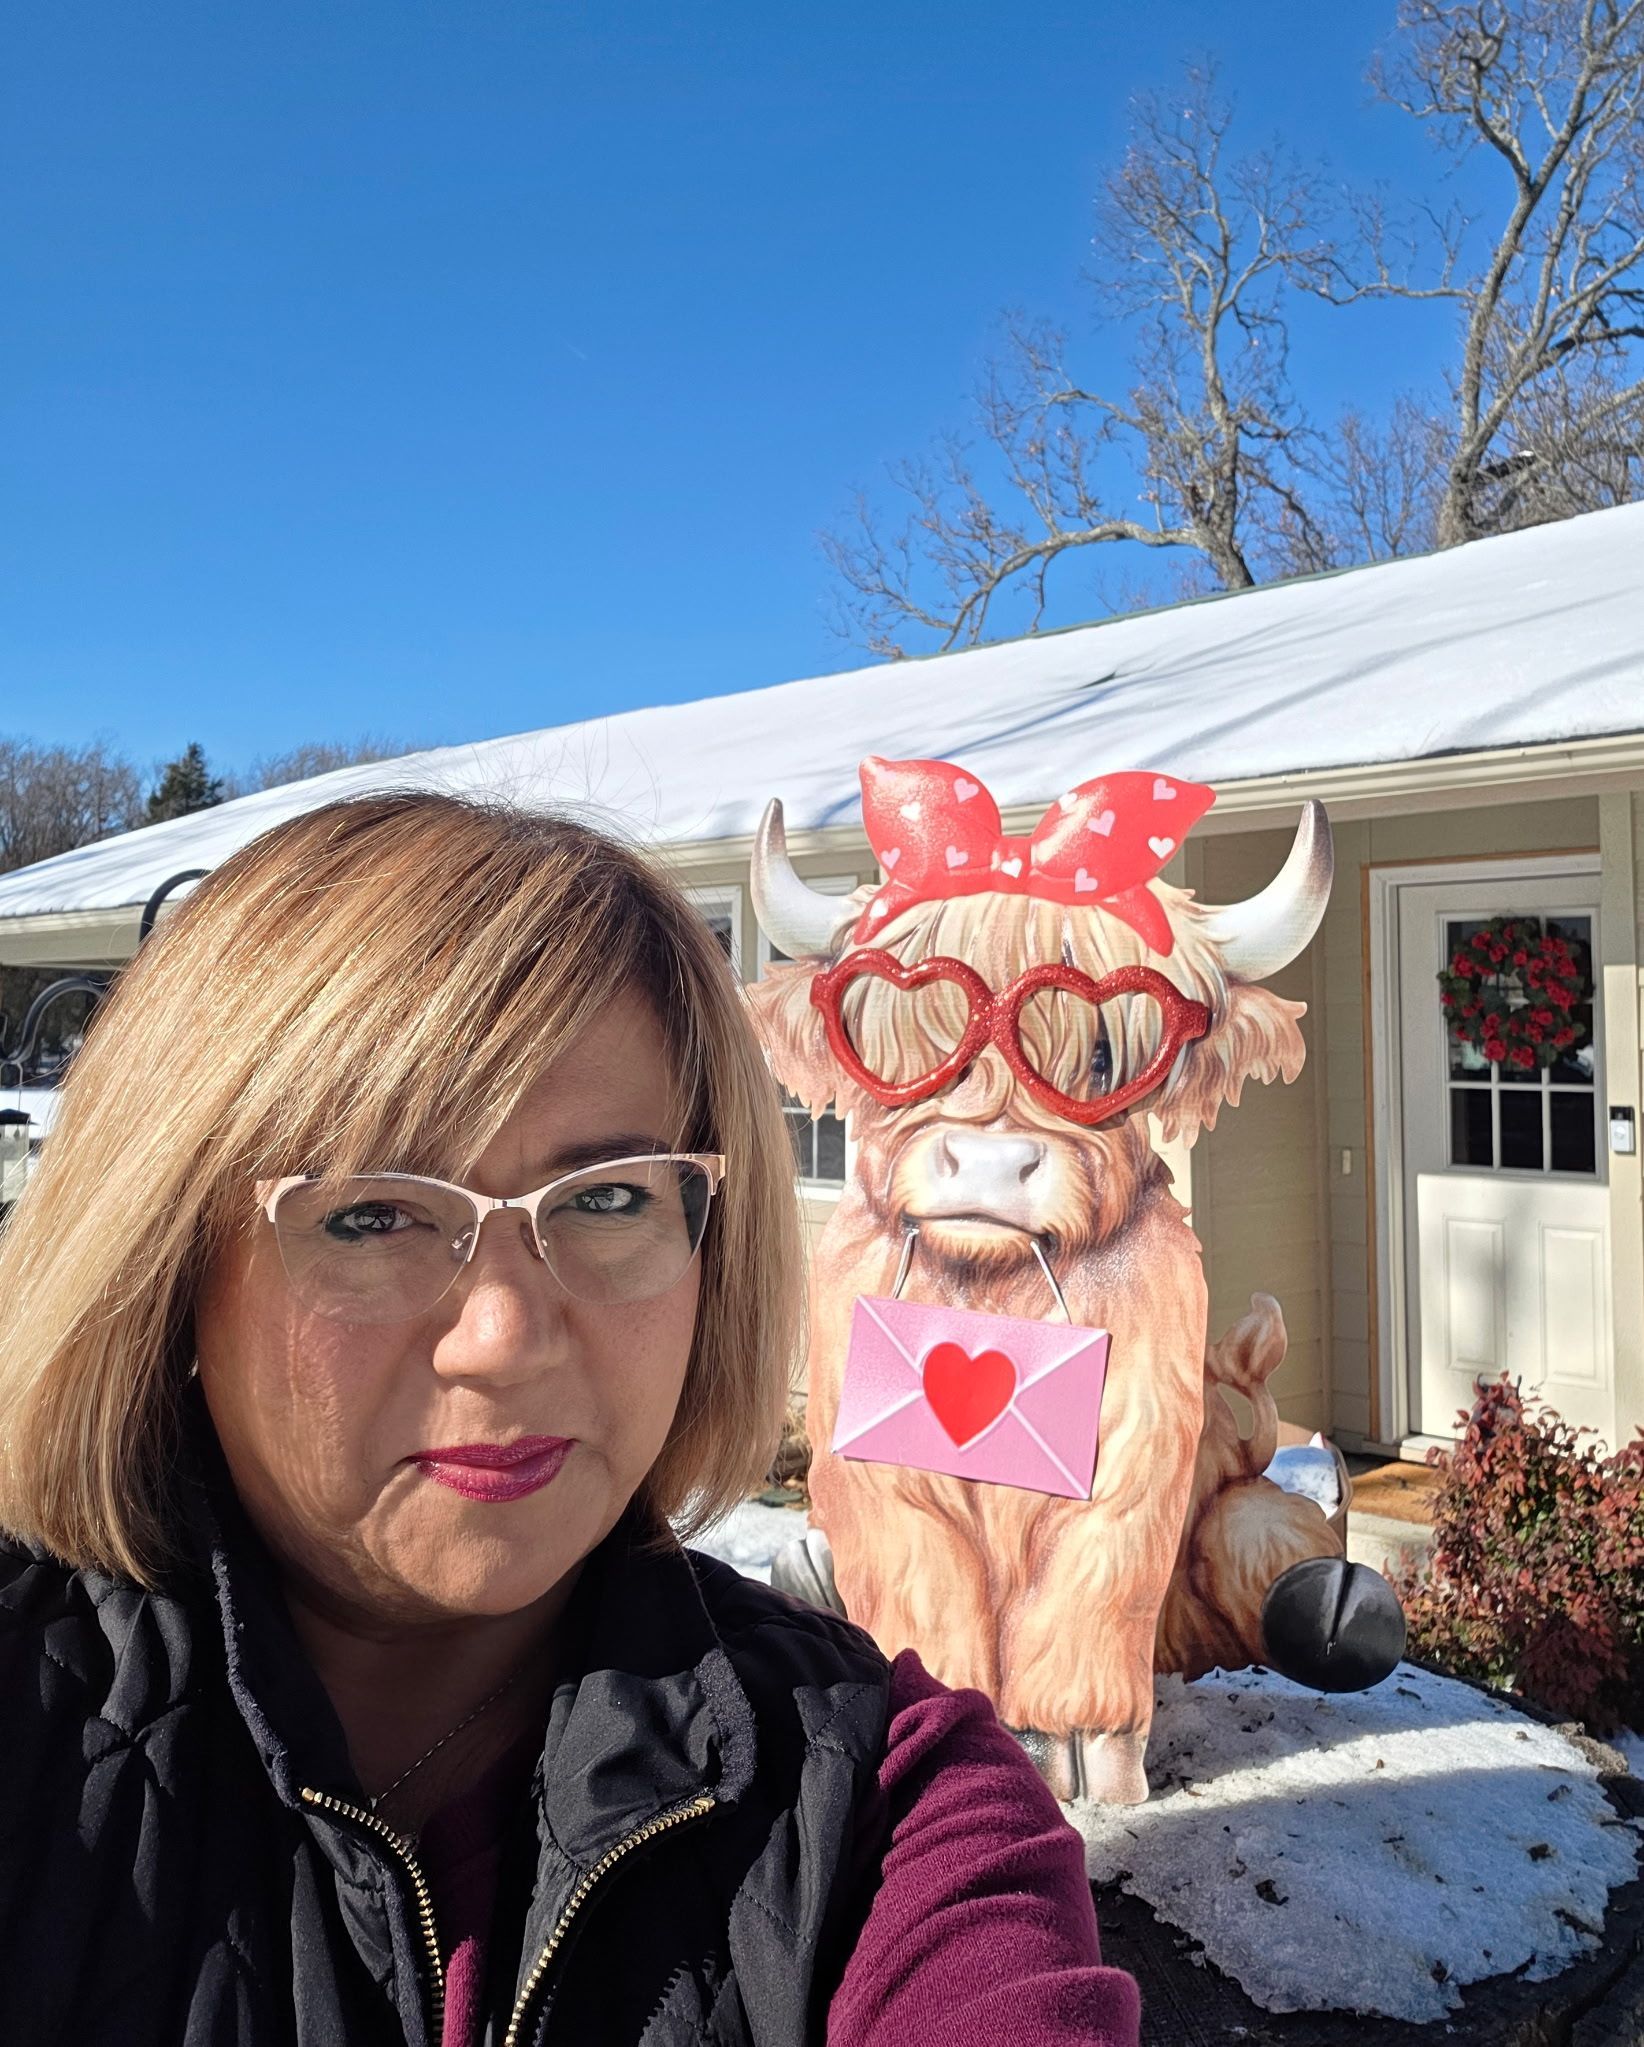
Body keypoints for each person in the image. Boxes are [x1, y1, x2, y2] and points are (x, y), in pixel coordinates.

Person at [0, 791, 1142, 2047]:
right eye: (371, 1214)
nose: (504, 1339)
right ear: (163, 1261)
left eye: (605, 1199)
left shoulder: (889, 1811)